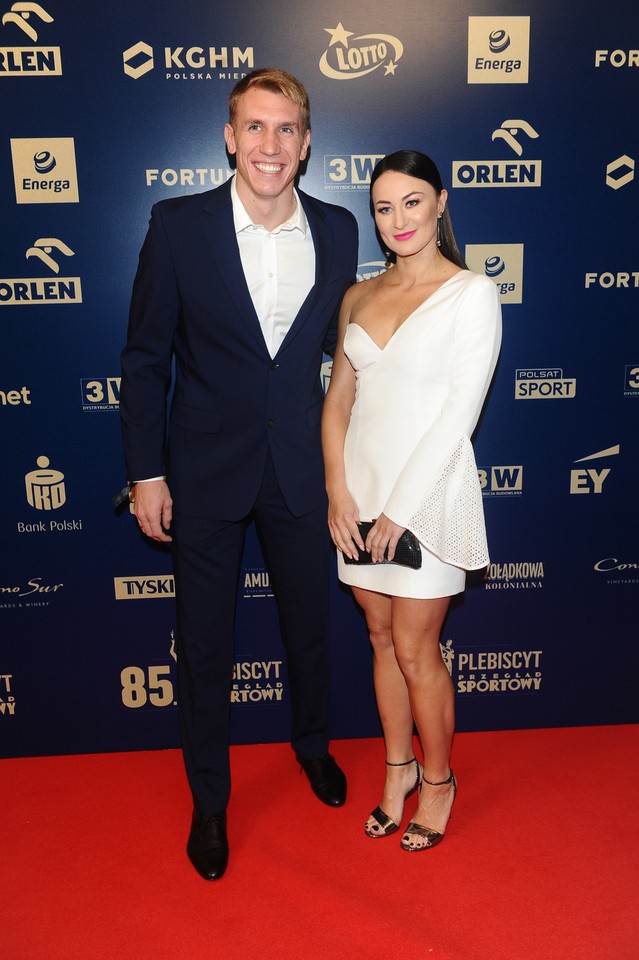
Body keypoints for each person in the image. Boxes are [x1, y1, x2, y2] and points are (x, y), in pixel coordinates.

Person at [120, 68, 358, 880]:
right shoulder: (177, 225)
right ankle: (210, 800)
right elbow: (145, 359)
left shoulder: (337, 229)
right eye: (255, 127)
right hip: (203, 469)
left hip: (298, 468)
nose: (270, 145)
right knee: (205, 646)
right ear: (229, 138)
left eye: (286, 129)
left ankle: (312, 745)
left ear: (306, 142)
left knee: (309, 629)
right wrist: (147, 473)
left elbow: (343, 357)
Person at [322, 150, 501, 851]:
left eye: (412, 202)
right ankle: (396, 770)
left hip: (425, 497)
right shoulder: (358, 296)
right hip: (360, 491)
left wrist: (397, 512)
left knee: (414, 647)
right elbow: (339, 400)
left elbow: (458, 415)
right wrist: (337, 490)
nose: (398, 219)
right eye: (383, 207)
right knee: (377, 636)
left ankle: (438, 781)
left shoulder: (471, 293)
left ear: (440, 202)